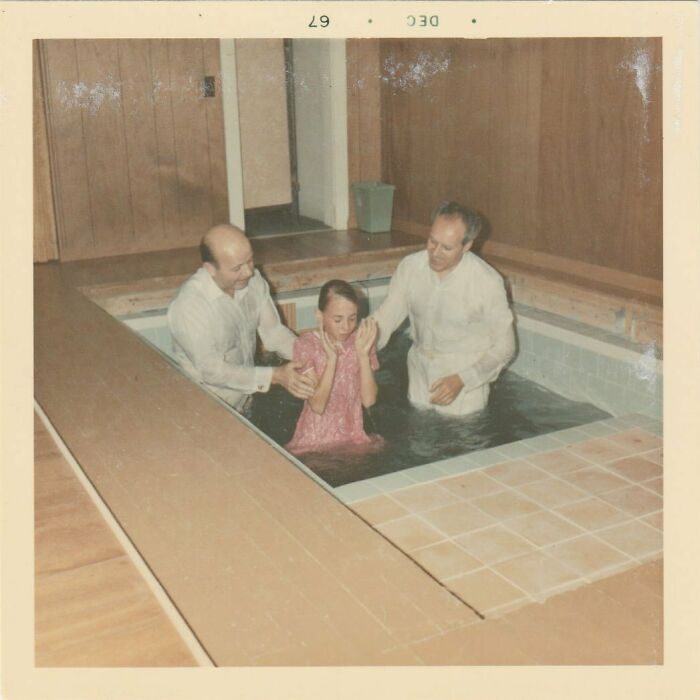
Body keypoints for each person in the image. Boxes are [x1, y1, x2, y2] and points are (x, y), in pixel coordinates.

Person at [373, 201, 515, 415]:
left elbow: (506, 347)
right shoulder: (411, 267)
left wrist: (462, 379)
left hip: (464, 383)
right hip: (420, 373)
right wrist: (361, 346)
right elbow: (386, 318)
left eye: (447, 247)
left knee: (461, 442)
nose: (435, 252)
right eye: (432, 241)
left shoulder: (487, 282)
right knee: (420, 440)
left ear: (467, 246)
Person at [167, 224, 316, 412]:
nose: (248, 272)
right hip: (208, 409)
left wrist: (314, 356)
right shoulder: (189, 306)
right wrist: (275, 376)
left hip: (246, 401)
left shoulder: (253, 280)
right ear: (210, 269)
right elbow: (211, 371)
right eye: (237, 268)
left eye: (250, 260)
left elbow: (274, 333)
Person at [285, 280, 381, 455]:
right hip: (315, 441)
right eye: (338, 320)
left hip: (352, 436)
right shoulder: (306, 345)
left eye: (352, 318)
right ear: (320, 316)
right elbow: (318, 405)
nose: (346, 327)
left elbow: (369, 401)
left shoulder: (360, 341)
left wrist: (363, 355)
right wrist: (331, 359)